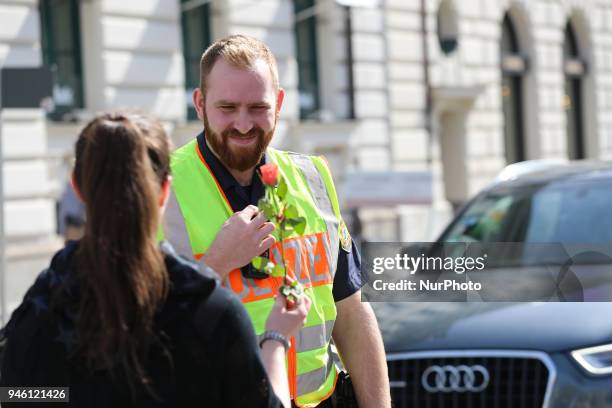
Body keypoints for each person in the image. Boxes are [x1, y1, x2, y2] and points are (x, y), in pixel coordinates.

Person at [0, 112, 311, 407]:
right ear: (165, 190)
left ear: (77, 187)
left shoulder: (42, 308)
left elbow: (18, 396)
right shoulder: (212, 314)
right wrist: (276, 338)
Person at [159, 35, 391, 407]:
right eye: (227, 107)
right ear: (200, 104)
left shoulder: (313, 177)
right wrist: (217, 262)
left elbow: (352, 312)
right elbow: (142, 330)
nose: (243, 124)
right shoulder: (161, 188)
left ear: (279, 103)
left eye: (257, 107)